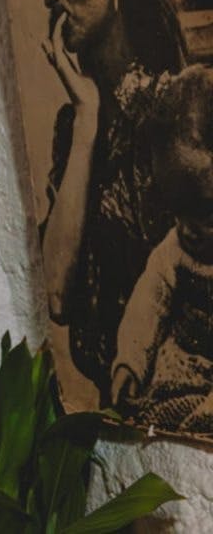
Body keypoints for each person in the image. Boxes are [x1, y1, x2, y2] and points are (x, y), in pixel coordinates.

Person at [36, 0, 186, 404]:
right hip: (112, 411)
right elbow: (57, 295)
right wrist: (87, 118)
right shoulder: (75, 124)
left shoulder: (178, 107)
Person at [112, 64, 213, 431]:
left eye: (205, 211)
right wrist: (130, 362)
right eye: (178, 212)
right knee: (156, 421)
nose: (188, 228)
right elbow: (148, 305)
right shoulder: (174, 250)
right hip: (182, 372)